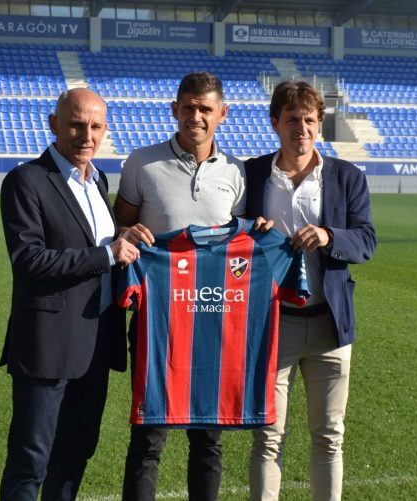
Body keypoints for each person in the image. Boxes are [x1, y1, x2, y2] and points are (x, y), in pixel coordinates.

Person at [0, 88, 140, 501]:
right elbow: (30, 260)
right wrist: (106, 253)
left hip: (95, 344)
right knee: (31, 461)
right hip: (46, 346)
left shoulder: (99, 181)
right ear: (54, 124)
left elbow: (101, 247)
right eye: (77, 124)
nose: (86, 135)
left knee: (75, 455)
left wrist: (121, 238)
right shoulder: (26, 180)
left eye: (95, 126)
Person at [113, 71, 246, 501]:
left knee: (208, 438)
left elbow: (242, 240)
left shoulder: (236, 172)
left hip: (212, 318)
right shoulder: (141, 162)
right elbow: (121, 224)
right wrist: (129, 233)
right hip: (157, 320)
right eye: (188, 107)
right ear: (175, 109)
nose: (196, 116)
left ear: (222, 114)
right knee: (149, 434)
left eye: (205, 109)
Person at [245, 80, 377, 501]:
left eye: (308, 120)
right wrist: (252, 231)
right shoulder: (251, 173)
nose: (300, 128)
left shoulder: (346, 176)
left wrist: (327, 235)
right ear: (274, 124)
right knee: (267, 437)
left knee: (329, 436)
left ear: (319, 125)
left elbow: (367, 241)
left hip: (329, 327)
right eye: (291, 120)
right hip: (272, 325)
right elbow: (229, 235)